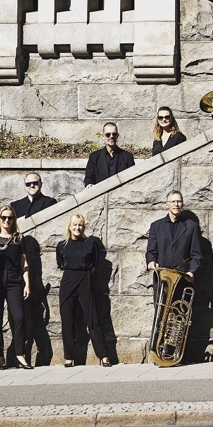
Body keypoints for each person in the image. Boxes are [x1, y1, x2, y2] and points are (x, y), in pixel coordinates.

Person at [55, 213, 110, 367]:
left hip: (85, 280)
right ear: (69, 227)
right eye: (75, 225)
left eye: (80, 225)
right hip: (67, 283)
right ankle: (69, 358)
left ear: (83, 227)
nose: (77, 227)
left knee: (92, 318)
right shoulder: (61, 245)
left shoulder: (89, 243)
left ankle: (104, 355)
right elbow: (61, 264)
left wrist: (83, 275)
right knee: (67, 320)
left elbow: (95, 264)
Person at [0, 207, 32, 369]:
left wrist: (27, 284)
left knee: (19, 317)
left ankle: (19, 354)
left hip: (14, 281)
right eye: (3, 218)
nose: (7, 221)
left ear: (14, 220)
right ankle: (0, 356)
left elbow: (24, 263)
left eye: (10, 218)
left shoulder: (18, 238)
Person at [146, 190, 203, 287]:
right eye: (173, 202)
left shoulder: (192, 226)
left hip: (183, 280)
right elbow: (151, 252)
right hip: (162, 280)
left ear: (182, 204)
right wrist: (151, 262)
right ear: (167, 205)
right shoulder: (156, 226)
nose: (176, 204)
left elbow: (196, 255)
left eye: (179, 201)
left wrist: (192, 271)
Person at [84, 122, 135, 186]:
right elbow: (89, 178)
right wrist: (89, 184)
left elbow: (132, 180)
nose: (111, 136)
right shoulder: (94, 157)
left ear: (117, 136)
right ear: (103, 136)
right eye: (108, 134)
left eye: (114, 134)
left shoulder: (127, 157)